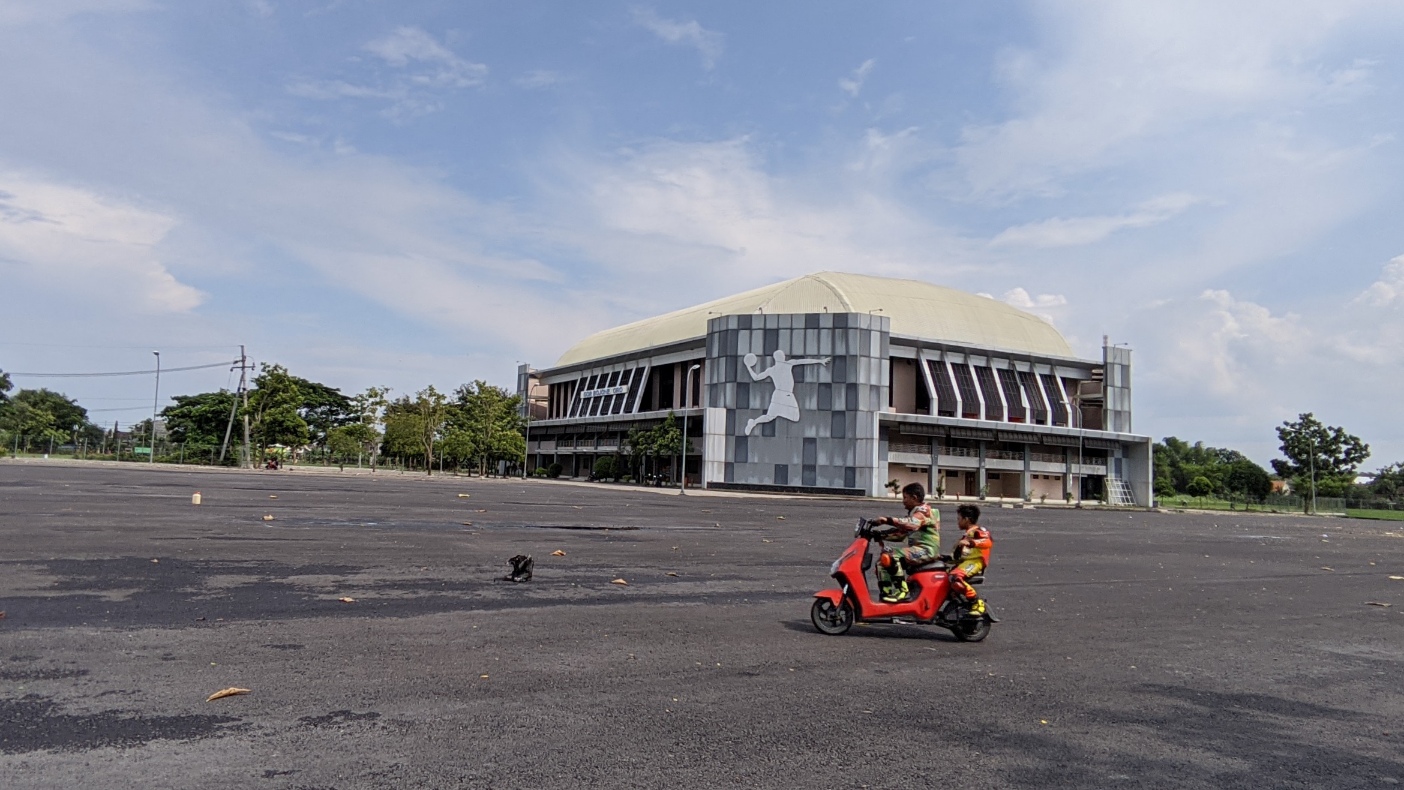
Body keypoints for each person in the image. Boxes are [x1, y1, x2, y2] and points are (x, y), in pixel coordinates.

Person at [869, 482, 939, 603]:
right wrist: (878, 534)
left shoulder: (925, 511)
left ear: (914, 498)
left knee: (892, 556)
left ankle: (903, 592)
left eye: (905, 498)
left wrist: (888, 520)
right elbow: (901, 534)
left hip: (926, 550)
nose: (903, 501)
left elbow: (911, 523)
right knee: (882, 561)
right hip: (918, 550)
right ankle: (886, 594)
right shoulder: (915, 512)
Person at [949, 504, 993, 616]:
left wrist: (971, 543)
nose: (957, 522)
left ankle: (977, 602)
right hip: (965, 562)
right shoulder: (966, 534)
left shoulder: (979, 531)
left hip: (975, 562)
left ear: (966, 519)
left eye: (959, 519)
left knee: (955, 578)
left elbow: (988, 542)